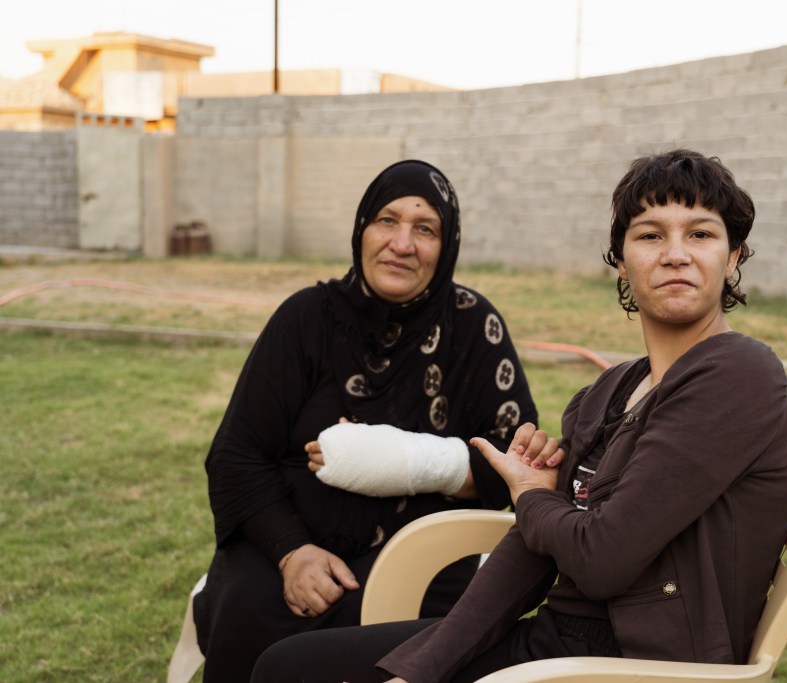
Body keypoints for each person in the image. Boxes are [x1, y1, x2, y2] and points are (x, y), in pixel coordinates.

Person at [250, 148, 787, 683]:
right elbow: (528, 552)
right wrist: (417, 671)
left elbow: (601, 559)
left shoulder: (738, 374)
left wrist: (533, 496)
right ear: (621, 261)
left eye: (701, 234)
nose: (676, 254)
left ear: (733, 255)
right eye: (650, 235)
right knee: (287, 665)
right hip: (553, 644)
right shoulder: (613, 388)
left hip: (632, 667)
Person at [193, 159, 541, 682]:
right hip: (286, 538)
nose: (402, 243)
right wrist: (293, 555)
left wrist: (415, 464)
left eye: (425, 229)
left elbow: (514, 464)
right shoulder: (305, 318)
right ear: (361, 229)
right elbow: (236, 456)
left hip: (421, 553)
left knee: (408, 641)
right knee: (246, 612)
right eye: (387, 220)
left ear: (447, 247)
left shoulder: (473, 327)